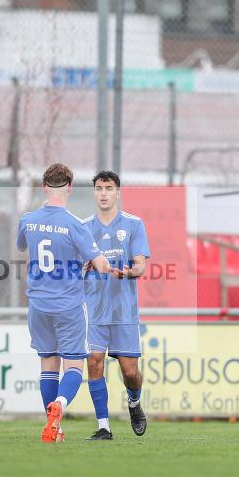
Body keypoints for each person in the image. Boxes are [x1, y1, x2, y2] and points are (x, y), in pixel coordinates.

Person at [16, 163, 111, 442]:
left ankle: (54, 428)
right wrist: (90, 265)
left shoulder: (27, 220)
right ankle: (60, 404)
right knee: (73, 367)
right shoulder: (75, 225)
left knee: (48, 364)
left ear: (44, 187)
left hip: (37, 304)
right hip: (68, 304)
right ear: (69, 188)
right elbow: (102, 265)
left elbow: (22, 246)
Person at [82, 171, 150, 440]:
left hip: (124, 310)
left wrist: (128, 272)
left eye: (109, 188)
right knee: (94, 361)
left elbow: (141, 266)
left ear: (118, 192)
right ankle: (103, 426)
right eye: (99, 188)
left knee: (130, 372)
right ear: (94, 192)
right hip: (95, 310)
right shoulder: (84, 227)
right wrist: (81, 267)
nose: (103, 193)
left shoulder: (134, 224)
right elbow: (76, 267)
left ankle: (134, 402)